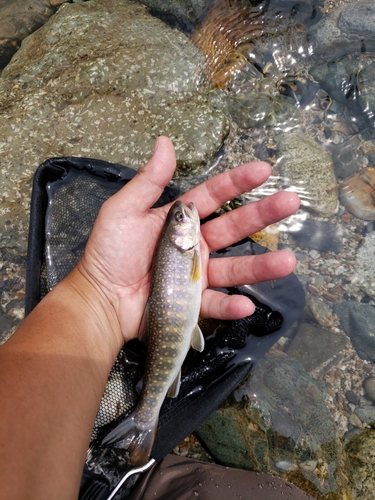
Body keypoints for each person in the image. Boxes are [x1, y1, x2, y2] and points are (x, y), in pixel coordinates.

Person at [0, 136, 308, 499]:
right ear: (181, 235)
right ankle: (143, 425)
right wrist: (99, 293)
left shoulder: (184, 246)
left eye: (180, 216)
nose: (185, 213)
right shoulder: (187, 248)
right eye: (180, 218)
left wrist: (97, 297)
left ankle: (140, 433)